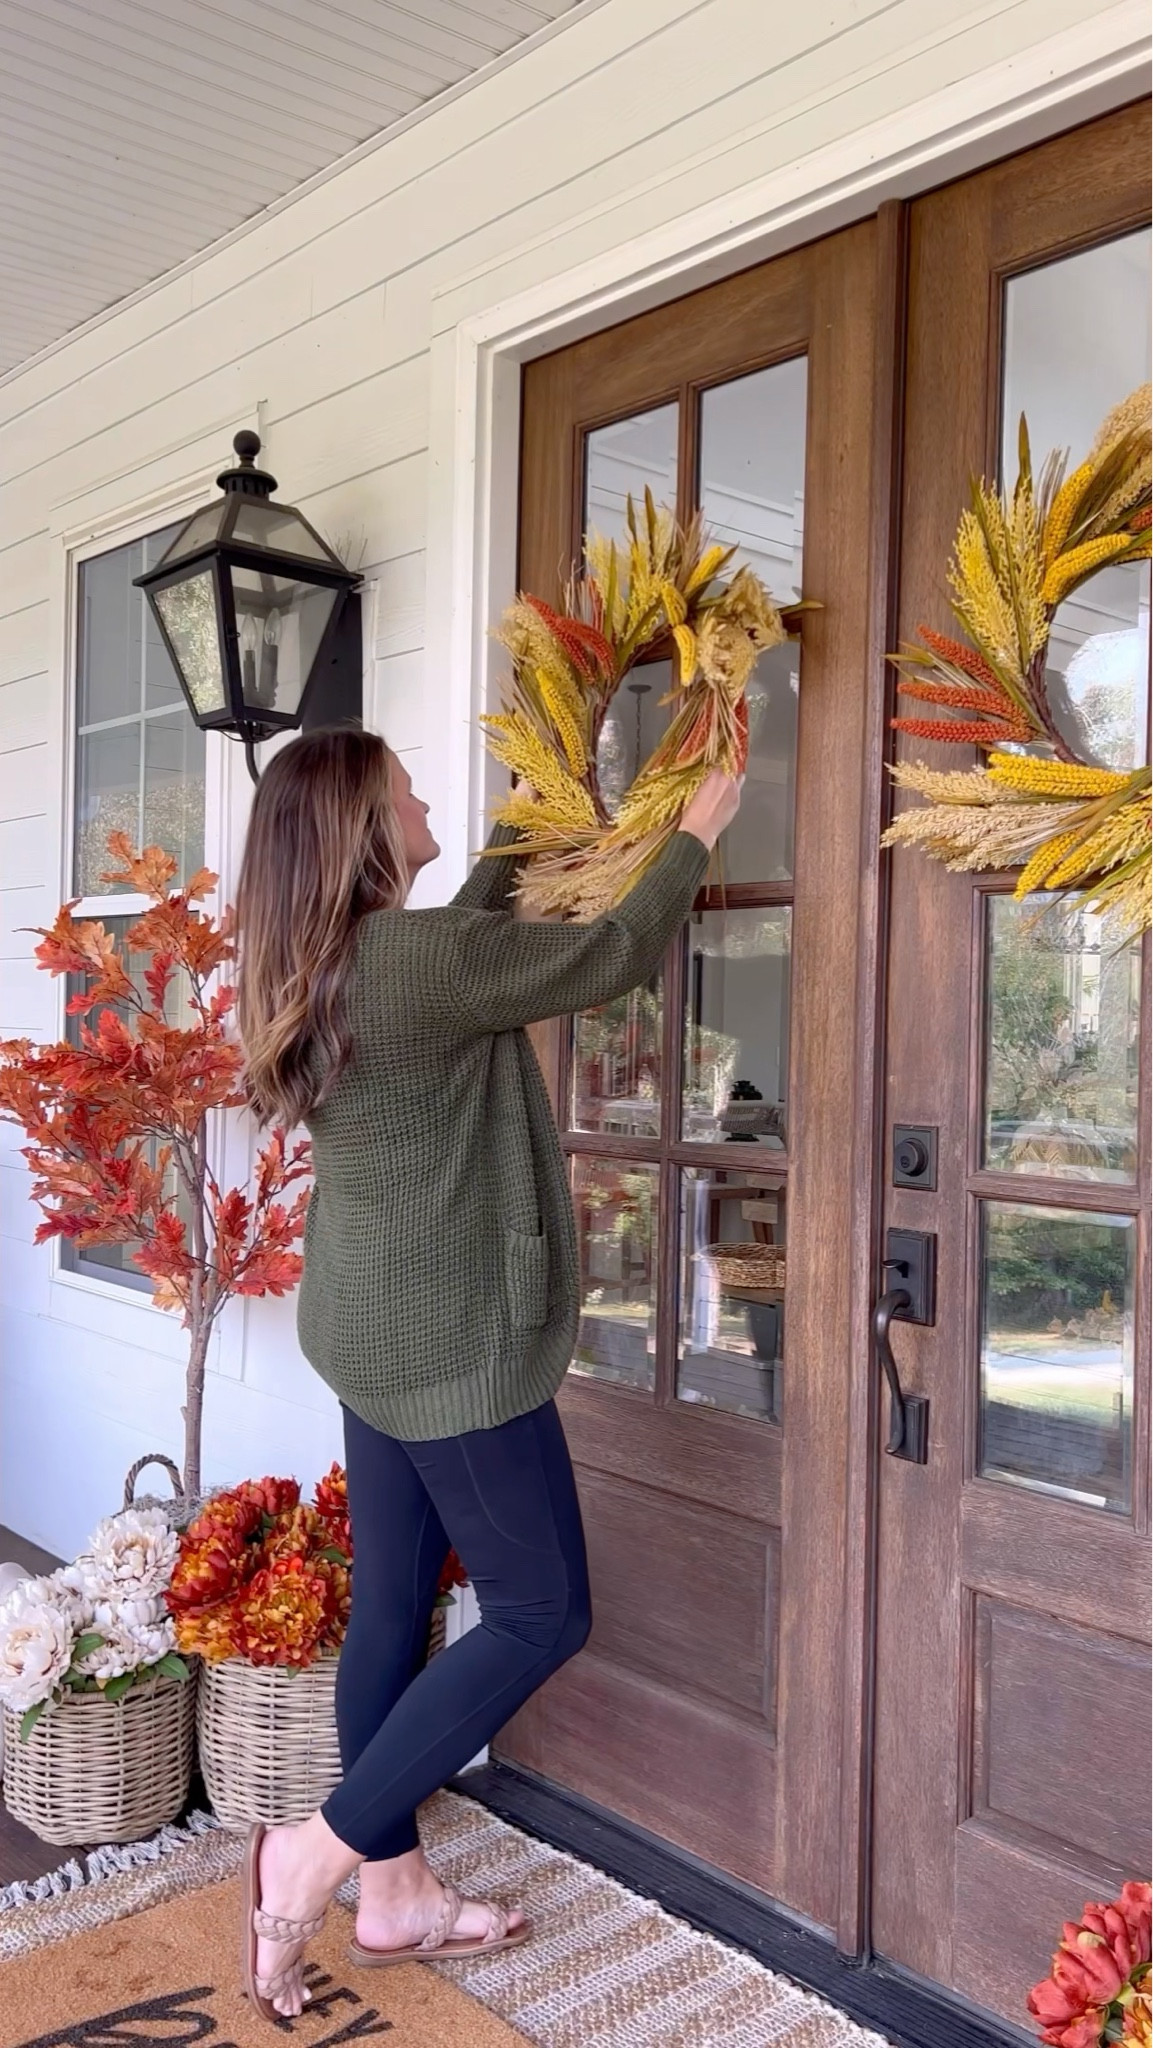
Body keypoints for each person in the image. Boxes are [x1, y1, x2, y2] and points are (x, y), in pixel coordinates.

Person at [234, 726, 742, 2021]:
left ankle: (394, 1894)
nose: (421, 795)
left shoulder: (345, 957)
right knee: (538, 1613)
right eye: (402, 785)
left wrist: (537, 816)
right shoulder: (410, 961)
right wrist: (699, 827)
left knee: (391, 1610)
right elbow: (610, 952)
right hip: (453, 1348)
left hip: (369, 1328)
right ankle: (323, 1851)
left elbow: (463, 943)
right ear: (362, 825)